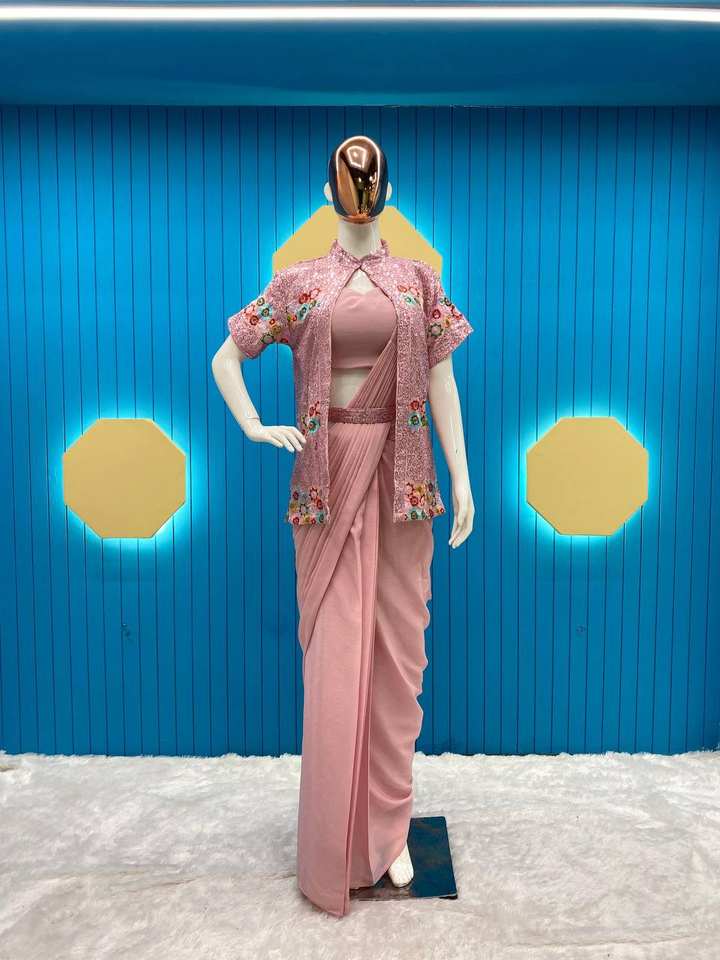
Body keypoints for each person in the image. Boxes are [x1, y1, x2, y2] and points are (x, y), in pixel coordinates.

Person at [211, 135, 474, 917]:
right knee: (335, 659)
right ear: (329, 194)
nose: (359, 190)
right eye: (347, 181)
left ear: (387, 190)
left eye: (371, 179)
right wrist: (255, 425)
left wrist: (463, 476)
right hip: (327, 485)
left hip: (403, 481)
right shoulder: (298, 283)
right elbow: (226, 358)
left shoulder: (418, 280)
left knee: (397, 659)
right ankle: (335, 841)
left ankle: (388, 832)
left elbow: (441, 377)